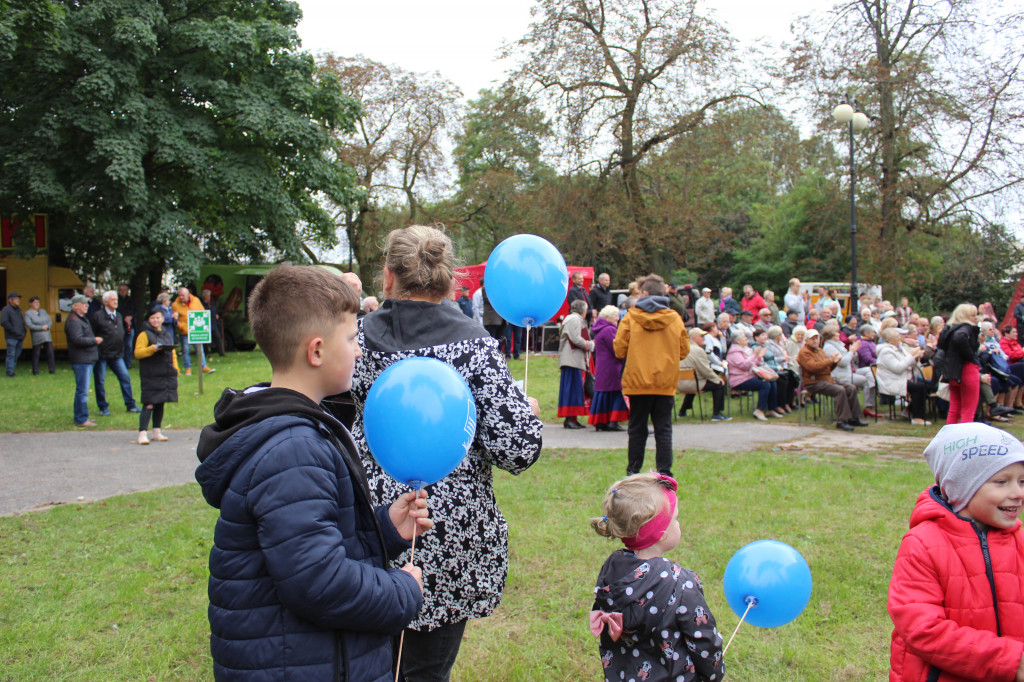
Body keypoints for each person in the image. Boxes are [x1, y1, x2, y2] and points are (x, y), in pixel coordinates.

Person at [194, 265, 432, 680]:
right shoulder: (293, 448)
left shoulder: (292, 430)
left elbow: (307, 541)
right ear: (317, 351)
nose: (359, 350)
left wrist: (385, 529)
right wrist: (402, 590)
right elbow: (318, 581)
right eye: (353, 338)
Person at [351, 225, 543, 682]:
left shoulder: (354, 339)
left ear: (388, 275)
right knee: (423, 672)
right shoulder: (474, 344)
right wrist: (527, 414)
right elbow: (517, 448)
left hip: (363, 524)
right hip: (448, 530)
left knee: (363, 665)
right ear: (449, 277)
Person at [888, 423, 1024, 682]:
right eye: (1002, 482)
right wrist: (1012, 661)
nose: (1018, 493)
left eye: (1022, 481)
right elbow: (923, 629)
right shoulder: (922, 544)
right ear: (963, 486)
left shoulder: (1019, 540)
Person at [590, 473, 725, 682]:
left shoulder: (612, 569)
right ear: (661, 534)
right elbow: (703, 639)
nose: (679, 524)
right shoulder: (680, 583)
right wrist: (714, 674)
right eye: (676, 519)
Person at [614, 274, 689, 477]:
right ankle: (665, 473)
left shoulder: (631, 317)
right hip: (664, 382)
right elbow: (684, 350)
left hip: (637, 381)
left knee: (637, 429)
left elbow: (619, 349)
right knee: (664, 430)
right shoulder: (674, 318)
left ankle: (633, 472)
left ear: (644, 293)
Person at [797, 328, 868, 432]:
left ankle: (854, 417)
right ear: (806, 340)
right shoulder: (804, 353)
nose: (815, 341)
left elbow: (827, 369)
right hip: (813, 382)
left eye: (817, 338)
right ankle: (842, 420)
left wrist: (834, 362)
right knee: (840, 390)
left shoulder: (820, 351)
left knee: (851, 387)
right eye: (812, 339)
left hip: (826, 379)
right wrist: (829, 360)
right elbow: (813, 367)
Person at [90, 291, 141, 416]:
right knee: (100, 381)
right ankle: (103, 407)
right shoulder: (97, 316)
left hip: (117, 354)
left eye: (116, 299)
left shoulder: (118, 315)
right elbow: (92, 333)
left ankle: (130, 404)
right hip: (102, 354)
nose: (116, 301)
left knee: (125, 378)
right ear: (106, 302)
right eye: (113, 299)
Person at [134, 307, 178, 444]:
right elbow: (137, 353)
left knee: (160, 402)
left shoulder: (166, 333)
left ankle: (156, 431)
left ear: (163, 319)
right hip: (151, 373)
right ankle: (142, 433)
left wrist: (175, 368)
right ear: (149, 319)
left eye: (158, 318)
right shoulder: (144, 334)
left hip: (165, 372)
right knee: (149, 403)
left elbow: (172, 353)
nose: (156, 320)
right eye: (153, 318)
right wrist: (151, 349)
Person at [876, 327, 931, 425]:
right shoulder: (886, 352)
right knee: (918, 387)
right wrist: (911, 355)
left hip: (903, 378)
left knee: (924, 385)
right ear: (889, 340)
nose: (899, 338)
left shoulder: (899, 348)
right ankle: (917, 417)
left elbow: (908, 362)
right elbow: (898, 368)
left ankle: (909, 410)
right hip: (892, 381)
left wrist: (916, 356)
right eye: (896, 337)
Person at [938, 303, 981, 424]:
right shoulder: (966, 328)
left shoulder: (949, 328)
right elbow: (959, 338)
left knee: (954, 408)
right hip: (967, 369)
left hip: (953, 372)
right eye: (973, 315)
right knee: (968, 409)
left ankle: (950, 437)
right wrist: (970, 356)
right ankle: (965, 438)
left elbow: (941, 344)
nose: (975, 318)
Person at [588, 305, 629, 431]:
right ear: (608, 317)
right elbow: (616, 348)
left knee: (604, 393)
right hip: (612, 366)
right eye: (616, 316)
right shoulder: (609, 330)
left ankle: (601, 421)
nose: (618, 318)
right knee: (615, 392)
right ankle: (613, 421)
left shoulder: (601, 329)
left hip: (603, 366)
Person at [678, 326, 729, 421]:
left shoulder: (681, 348)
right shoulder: (698, 351)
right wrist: (717, 379)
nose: (704, 338)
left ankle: (682, 411)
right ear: (695, 338)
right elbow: (705, 370)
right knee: (719, 385)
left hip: (679, 384)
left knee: (695, 381)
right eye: (702, 336)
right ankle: (717, 414)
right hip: (693, 383)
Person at [65, 294, 102, 427]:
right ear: (75, 306)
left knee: (83, 390)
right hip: (81, 360)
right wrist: (94, 340)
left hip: (87, 358)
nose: (87, 305)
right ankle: (81, 419)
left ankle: (82, 416)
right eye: (83, 303)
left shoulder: (81, 319)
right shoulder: (73, 321)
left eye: (87, 303)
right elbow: (77, 340)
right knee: (82, 390)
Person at [727, 329, 780, 420]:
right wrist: (755, 355)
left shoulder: (747, 349)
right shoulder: (734, 352)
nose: (746, 338)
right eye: (744, 337)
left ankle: (771, 409)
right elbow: (744, 365)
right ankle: (759, 410)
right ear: (738, 340)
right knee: (765, 385)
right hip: (739, 379)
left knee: (772, 382)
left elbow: (756, 364)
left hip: (750, 376)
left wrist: (759, 357)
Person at [558, 299, 594, 429]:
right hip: (572, 360)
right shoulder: (574, 319)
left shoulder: (572, 319)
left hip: (573, 360)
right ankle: (570, 419)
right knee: (572, 390)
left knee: (575, 390)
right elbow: (576, 338)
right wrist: (591, 345)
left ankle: (573, 418)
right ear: (583, 310)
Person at [171, 287, 214, 375]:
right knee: (185, 350)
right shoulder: (175, 305)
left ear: (188, 294)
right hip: (184, 332)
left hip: (196, 331)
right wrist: (180, 326)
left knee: (200, 349)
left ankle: (204, 366)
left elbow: (202, 313)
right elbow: (175, 319)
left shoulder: (196, 301)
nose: (181, 297)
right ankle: (188, 368)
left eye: (183, 295)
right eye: (180, 295)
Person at [23, 296, 55, 375]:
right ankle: (35, 371)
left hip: (47, 336)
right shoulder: (28, 314)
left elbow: (49, 321)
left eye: (38, 302)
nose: (37, 304)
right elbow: (29, 325)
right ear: (30, 304)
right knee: (36, 354)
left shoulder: (43, 311)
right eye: (35, 302)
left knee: (50, 353)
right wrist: (41, 327)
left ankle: (52, 370)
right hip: (37, 337)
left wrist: (48, 326)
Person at [2, 292, 25, 377]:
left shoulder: (19, 311)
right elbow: (4, 322)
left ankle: (11, 370)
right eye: (16, 298)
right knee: (11, 354)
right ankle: (10, 372)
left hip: (19, 337)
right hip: (11, 337)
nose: (18, 300)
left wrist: (23, 332)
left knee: (16, 355)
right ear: (10, 300)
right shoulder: (6, 310)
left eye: (18, 298)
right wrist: (14, 331)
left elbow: (22, 323)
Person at [116, 284, 138, 368]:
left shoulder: (131, 300)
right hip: (119, 326)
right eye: (121, 290)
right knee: (120, 345)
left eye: (125, 290)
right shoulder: (116, 300)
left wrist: (130, 317)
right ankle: (118, 364)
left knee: (129, 345)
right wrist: (124, 318)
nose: (123, 291)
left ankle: (128, 363)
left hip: (130, 326)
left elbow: (136, 311)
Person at [200, 288, 226, 357]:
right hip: (205, 324)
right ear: (204, 296)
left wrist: (216, 314)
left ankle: (221, 353)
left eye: (209, 295)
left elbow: (215, 311)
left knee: (218, 337)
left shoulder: (212, 303)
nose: (209, 297)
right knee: (205, 339)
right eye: (207, 296)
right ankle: (206, 353)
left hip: (213, 324)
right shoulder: (201, 304)